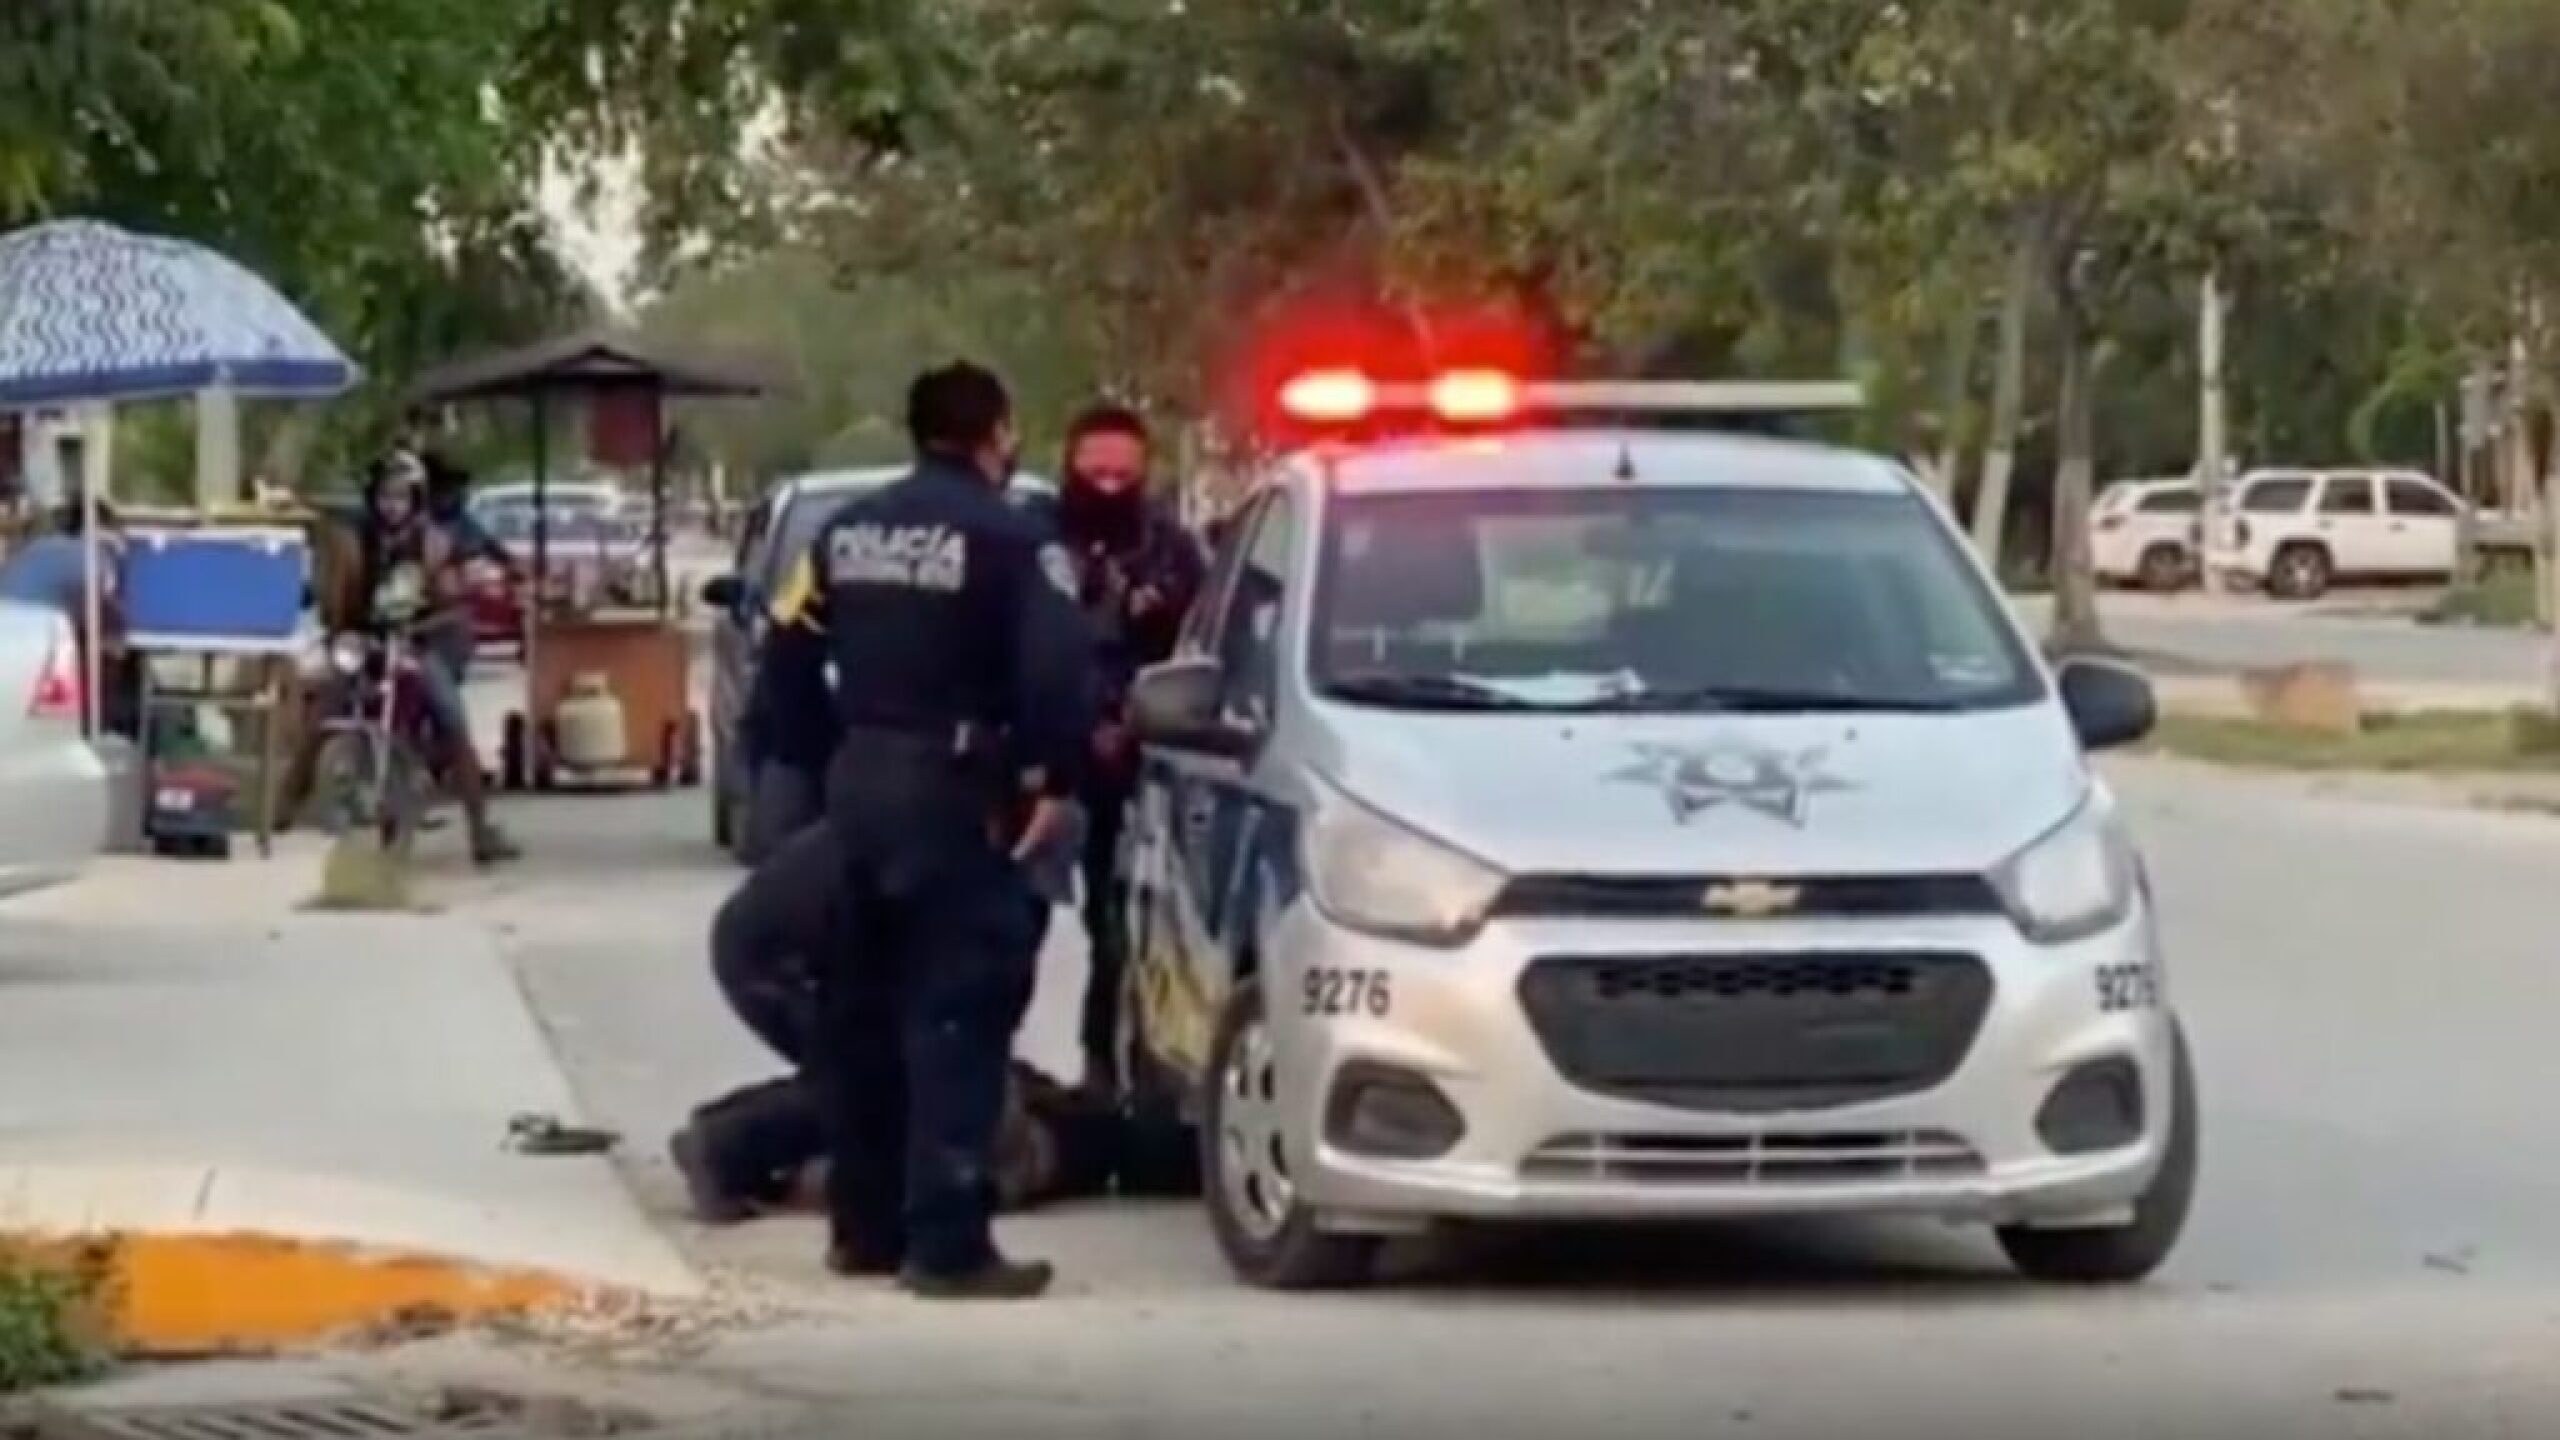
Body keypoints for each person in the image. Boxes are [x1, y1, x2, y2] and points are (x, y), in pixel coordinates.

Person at [759, 360, 1095, 1300]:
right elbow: (1060, 672)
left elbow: (785, 651)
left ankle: (862, 1228)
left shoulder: (847, 533)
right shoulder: (1014, 541)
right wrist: (1051, 779)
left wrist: (826, 758)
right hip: (957, 792)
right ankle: (947, 1244)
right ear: (997, 434)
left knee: (861, 1010)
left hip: (862, 785)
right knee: (959, 1011)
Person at [1051, 404, 1206, 1093]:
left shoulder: (1173, 551)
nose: (1109, 485)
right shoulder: (1032, 543)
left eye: (1124, 472)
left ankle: (1111, 1077)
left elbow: (1204, 649)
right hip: (1041, 768)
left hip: (1142, 768)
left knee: (1123, 933)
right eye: (1095, 471)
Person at [354, 450, 518, 866]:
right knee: (328, 705)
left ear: (416, 500)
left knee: (451, 720)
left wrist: (445, 597)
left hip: (420, 645)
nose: (391, 506)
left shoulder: (435, 543)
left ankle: (480, 830)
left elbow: (453, 593)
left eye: (400, 497)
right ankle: (281, 805)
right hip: (372, 646)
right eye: (384, 497)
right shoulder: (363, 540)